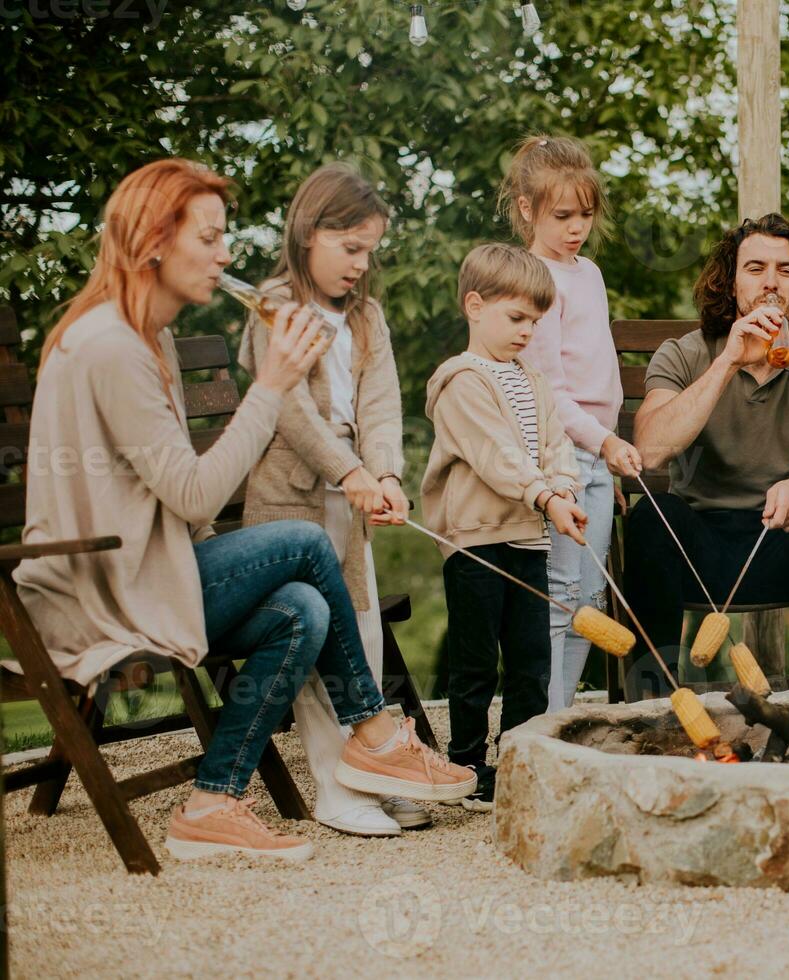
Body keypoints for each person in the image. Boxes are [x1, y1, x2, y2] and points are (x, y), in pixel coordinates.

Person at [15, 159, 474, 863]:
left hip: (146, 572)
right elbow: (196, 494)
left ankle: (212, 802)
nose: (226, 253)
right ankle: (374, 733)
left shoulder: (147, 337)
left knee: (303, 609)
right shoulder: (110, 346)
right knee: (306, 545)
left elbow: (174, 496)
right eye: (210, 236)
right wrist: (272, 385)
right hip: (103, 592)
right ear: (154, 242)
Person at [239, 162, 425, 838]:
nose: (360, 264)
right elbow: (288, 410)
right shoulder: (273, 304)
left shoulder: (368, 316)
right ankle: (334, 788)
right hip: (292, 502)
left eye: (369, 251)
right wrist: (349, 471)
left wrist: (387, 475)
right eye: (350, 248)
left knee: (363, 637)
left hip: (352, 501)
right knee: (317, 636)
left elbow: (380, 407)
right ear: (309, 232)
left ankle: (371, 774)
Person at [624, 213, 789, 695]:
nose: (770, 283)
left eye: (786, 270)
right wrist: (727, 362)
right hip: (700, 546)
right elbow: (651, 452)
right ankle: (655, 705)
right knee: (650, 516)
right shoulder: (684, 354)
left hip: (784, 538)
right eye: (755, 267)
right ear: (731, 282)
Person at [421, 243, 586, 809]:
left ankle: (518, 757)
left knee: (531, 662)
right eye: (516, 318)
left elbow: (555, 445)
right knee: (474, 663)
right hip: (477, 543)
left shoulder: (533, 381)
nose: (526, 332)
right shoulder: (460, 381)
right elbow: (497, 457)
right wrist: (543, 492)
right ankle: (465, 763)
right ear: (474, 305)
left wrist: (564, 488)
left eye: (534, 322)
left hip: (529, 538)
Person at [500, 135, 640, 710]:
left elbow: (599, 368)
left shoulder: (591, 274)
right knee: (562, 593)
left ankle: (559, 712)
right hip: (562, 455)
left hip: (598, 456)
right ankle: (547, 719)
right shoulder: (532, 278)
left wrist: (608, 449)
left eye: (585, 214)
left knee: (591, 597)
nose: (576, 227)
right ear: (528, 209)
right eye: (562, 216)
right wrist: (605, 441)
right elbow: (550, 394)